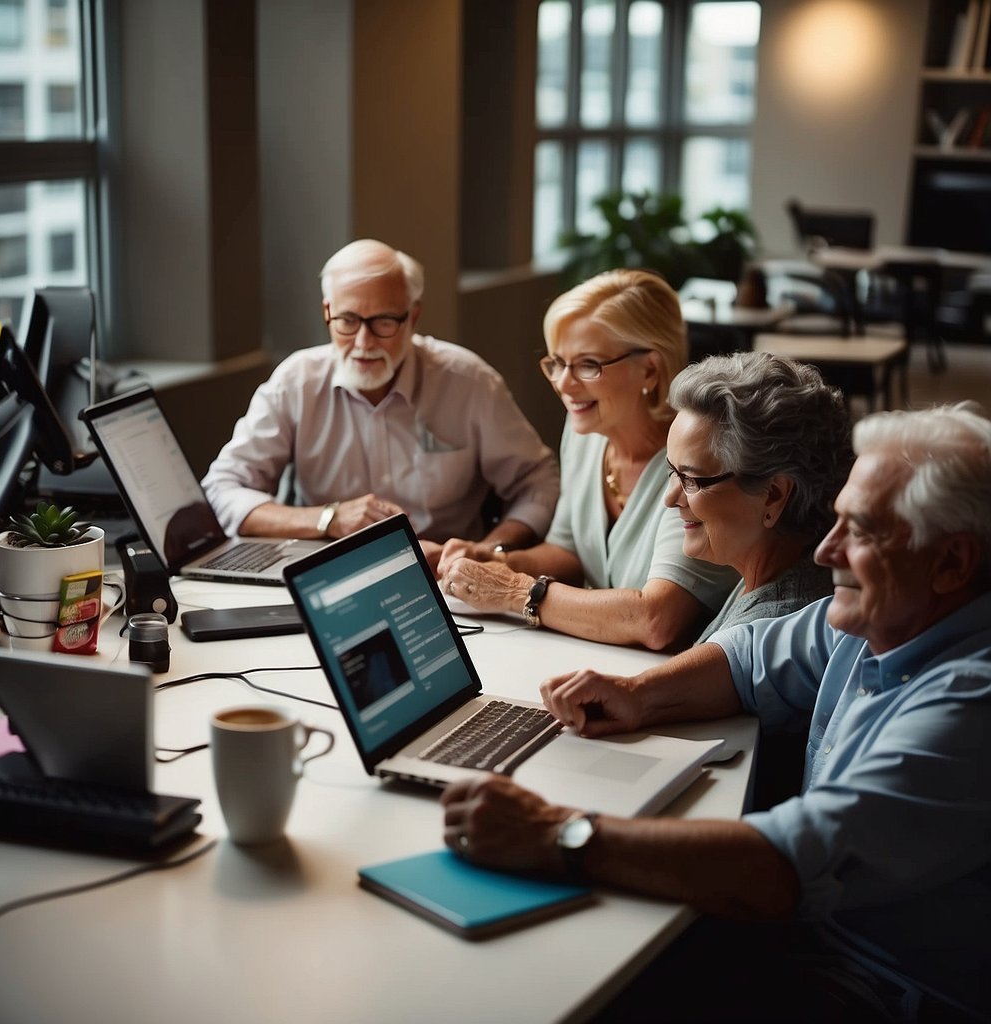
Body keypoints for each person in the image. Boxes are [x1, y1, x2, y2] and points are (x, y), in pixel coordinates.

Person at [441, 403, 991, 1022]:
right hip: (809, 943)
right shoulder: (889, 610)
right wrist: (640, 693)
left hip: (878, 988)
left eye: (860, 532)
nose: (826, 551)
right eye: (837, 522)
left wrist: (554, 833)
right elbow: (752, 655)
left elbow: (783, 866)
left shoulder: (971, 705)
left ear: (951, 563)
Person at [201, 239, 559, 566]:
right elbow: (222, 487)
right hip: (325, 573)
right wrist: (327, 519)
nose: (363, 341)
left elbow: (538, 481)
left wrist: (490, 552)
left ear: (412, 317)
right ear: (328, 312)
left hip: (442, 578)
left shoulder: (468, 381)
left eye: (384, 322)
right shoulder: (296, 382)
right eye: (347, 320)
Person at [437, 268, 738, 651]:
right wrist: (493, 559)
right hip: (607, 663)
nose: (563, 384)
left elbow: (657, 619)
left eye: (587, 365)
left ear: (650, 368)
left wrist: (514, 590)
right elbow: (569, 549)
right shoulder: (588, 433)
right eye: (557, 363)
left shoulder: (697, 461)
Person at [664, 350, 852, 643]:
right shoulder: (770, 575)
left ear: (772, 496)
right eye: (673, 471)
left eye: (691, 479)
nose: (670, 497)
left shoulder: (772, 628)